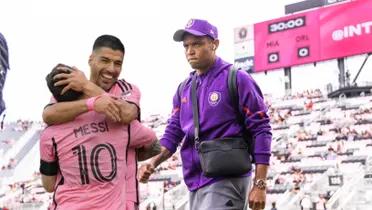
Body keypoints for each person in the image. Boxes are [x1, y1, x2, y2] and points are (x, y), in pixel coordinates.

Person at [138, 19, 272, 210]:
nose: (190, 51)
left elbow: (261, 129)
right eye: (186, 46)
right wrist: (152, 162)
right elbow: (174, 132)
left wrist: (260, 184)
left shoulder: (237, 78)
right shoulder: (184, 88)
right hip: (195, 181)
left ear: (214, 44)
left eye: (197, 44)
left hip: (227, 177)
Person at [42, 35, 161, 209]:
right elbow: (48, 115)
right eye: (104, 60)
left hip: (123, 200)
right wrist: (91, 103)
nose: (111, 69)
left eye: (118, 63)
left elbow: (127, 114)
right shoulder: (70, 92)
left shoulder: (126, 89)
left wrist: (86, 86)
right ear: (90, 60)